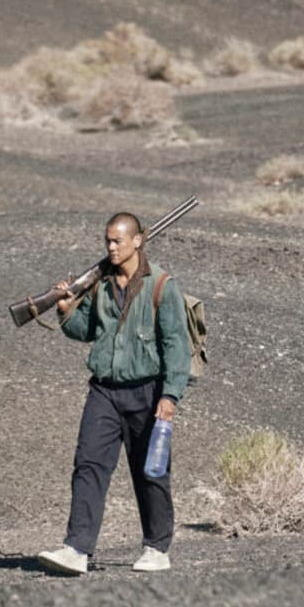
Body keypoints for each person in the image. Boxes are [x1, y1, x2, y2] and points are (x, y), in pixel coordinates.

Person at [38, 212, 191, 575]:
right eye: (107, 240)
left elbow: (176, 345)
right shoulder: (101, 285)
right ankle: (76, 549)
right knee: (88, 465)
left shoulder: (162, 286)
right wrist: (64, 311)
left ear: (137, 241)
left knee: (150, 472)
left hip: (148, 392)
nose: (110, 247)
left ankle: (156, 548)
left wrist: (170, 396)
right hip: (104, 392)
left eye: (117, 240)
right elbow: (85, 330)